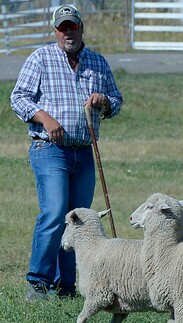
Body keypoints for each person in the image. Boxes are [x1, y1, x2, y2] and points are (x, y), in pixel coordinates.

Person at [10, 5, 123, 302]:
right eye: (62, 28)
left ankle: (67, 285)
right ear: (55, 31)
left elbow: (117, 100)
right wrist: (45, 118)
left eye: (72, 26)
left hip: (84, 151)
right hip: (49, 149)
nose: (68, 32)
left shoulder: (97, 62)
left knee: (79, 219)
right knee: (54, 212)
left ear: (81, 28)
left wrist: (104, 102)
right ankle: (38, 282)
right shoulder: (41, 58)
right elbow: (18, 97)